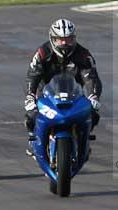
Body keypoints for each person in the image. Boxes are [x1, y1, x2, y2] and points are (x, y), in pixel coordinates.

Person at [24, 19, 102, 147]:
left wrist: (93, 96)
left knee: (93, 114)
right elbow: (32, 76)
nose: (65, 43)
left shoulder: (84, 55)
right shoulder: (42, 53)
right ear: (53, 39)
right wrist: (30, 96)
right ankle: (34, 142)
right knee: (32, 115)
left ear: (74, 38)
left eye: (69, 39)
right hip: (45, 93)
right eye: (60, 40)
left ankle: (83, 142)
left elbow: (91, 78)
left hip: (74, 93)